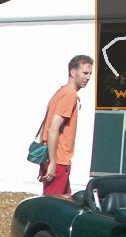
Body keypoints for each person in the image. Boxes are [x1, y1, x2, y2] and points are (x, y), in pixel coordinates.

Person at [37, 54, 93, 196]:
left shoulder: (61, 92)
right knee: (53, 209)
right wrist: (53, 163)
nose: (88, 77)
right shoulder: (69, 95)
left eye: (90, 74)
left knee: (67, 203)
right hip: (59, 161)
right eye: (85, 73)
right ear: (73, 72)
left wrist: (45, 162)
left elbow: (47, 128)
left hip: (55, 159)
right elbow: (52, 129)